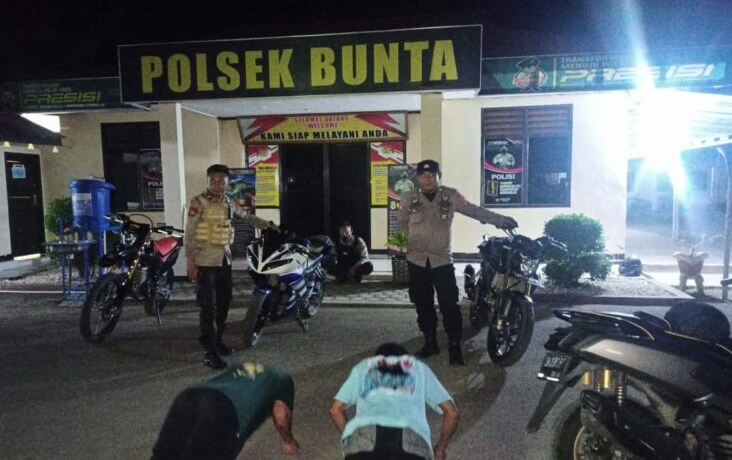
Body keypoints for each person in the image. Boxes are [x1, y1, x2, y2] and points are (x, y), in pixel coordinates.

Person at [397, 159, 518, 366]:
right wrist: (400, 247)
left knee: (449, 305)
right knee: (423, 304)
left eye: (432, 175)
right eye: (423, 176)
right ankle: (430, 341)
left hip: (442, 260)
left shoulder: (450, 195)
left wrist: (500, 220)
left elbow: (473, 210)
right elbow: (401, 224)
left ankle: (454, 344)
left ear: (439, 177)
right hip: (416, 260)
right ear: (418, 178)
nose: (427, 179)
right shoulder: (408, 198)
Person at [185, 164, 278, 369]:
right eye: (213, 181)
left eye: (221, 182)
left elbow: (247, 217)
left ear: (228, 183)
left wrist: (267, 225)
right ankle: (209, 352)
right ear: (208, 182)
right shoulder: (198, 202)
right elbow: (189, 233)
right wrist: (190, 260)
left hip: (224, 260)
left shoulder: (229, 202)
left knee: (223, 304)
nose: (217, 185)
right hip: (205, 261)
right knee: (208, 307)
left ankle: (217, 341)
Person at [329, 342, 459, 460]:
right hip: (410, 443)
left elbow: (335, 410)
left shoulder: (363, 370)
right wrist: (440, 449)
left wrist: (351, 439)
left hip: (365, 441)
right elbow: (452, 413)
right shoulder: (419, 369)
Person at [151, 362, 300, 460]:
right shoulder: (283, 380)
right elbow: (281, 417)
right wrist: (289, 441)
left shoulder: (242, 367)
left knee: (163, 455)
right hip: (222, 409)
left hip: (188, 396)